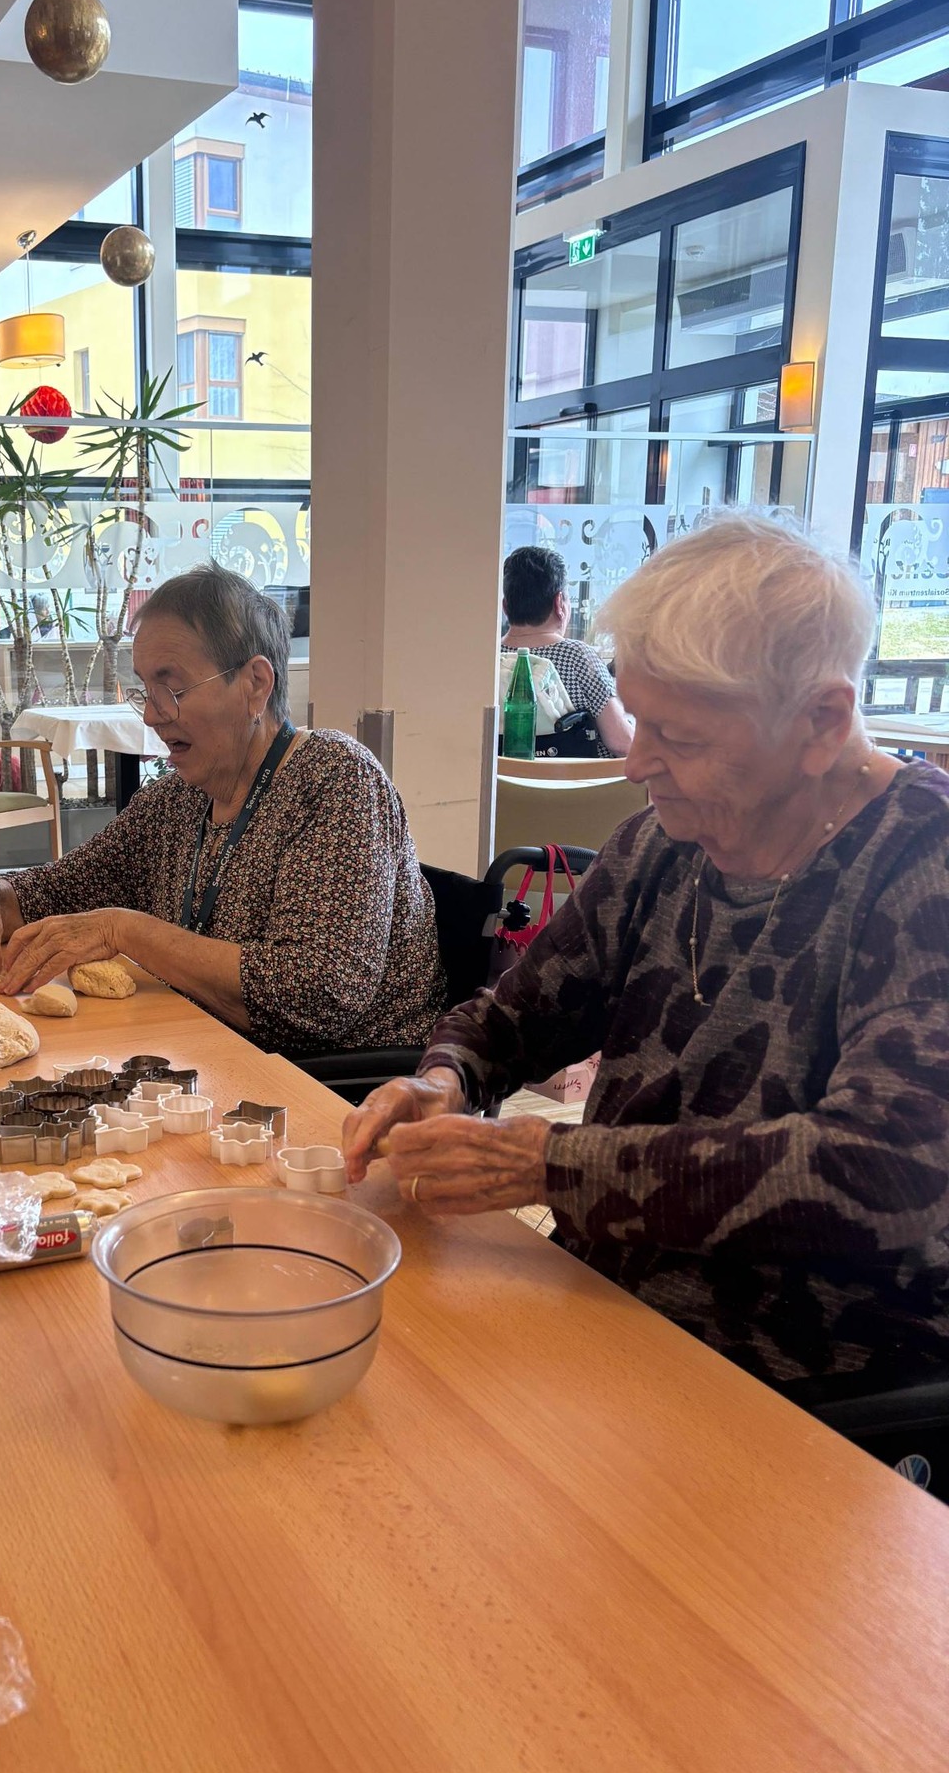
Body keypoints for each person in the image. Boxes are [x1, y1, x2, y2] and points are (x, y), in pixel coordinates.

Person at [347, 512, 949, 1453]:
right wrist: (444, 1079)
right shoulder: (663, 845)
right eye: (640, 720)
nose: (636, 764)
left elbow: (880, 1169)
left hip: (800, 1382)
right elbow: (513, 1015)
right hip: (603, 1311)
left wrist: (547, 1166)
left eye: (680, 736)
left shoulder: (922, 864)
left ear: (822, 724)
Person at [0, 562, 445, 1056]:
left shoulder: (335, 778)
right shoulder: (176, 799)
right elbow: (54, 893)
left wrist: (123, 930)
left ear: (255, 684)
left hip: (342, 1087)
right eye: (145, 689)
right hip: (214, 1056)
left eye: (172, 688)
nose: (152, 716)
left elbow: (318, 996)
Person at [502, 545, 633, 756]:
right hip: (579, 778)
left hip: (500, 778)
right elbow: (621, 743)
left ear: (505, 607)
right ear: (559, 604)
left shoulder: (490, 659)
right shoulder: (577, 657)